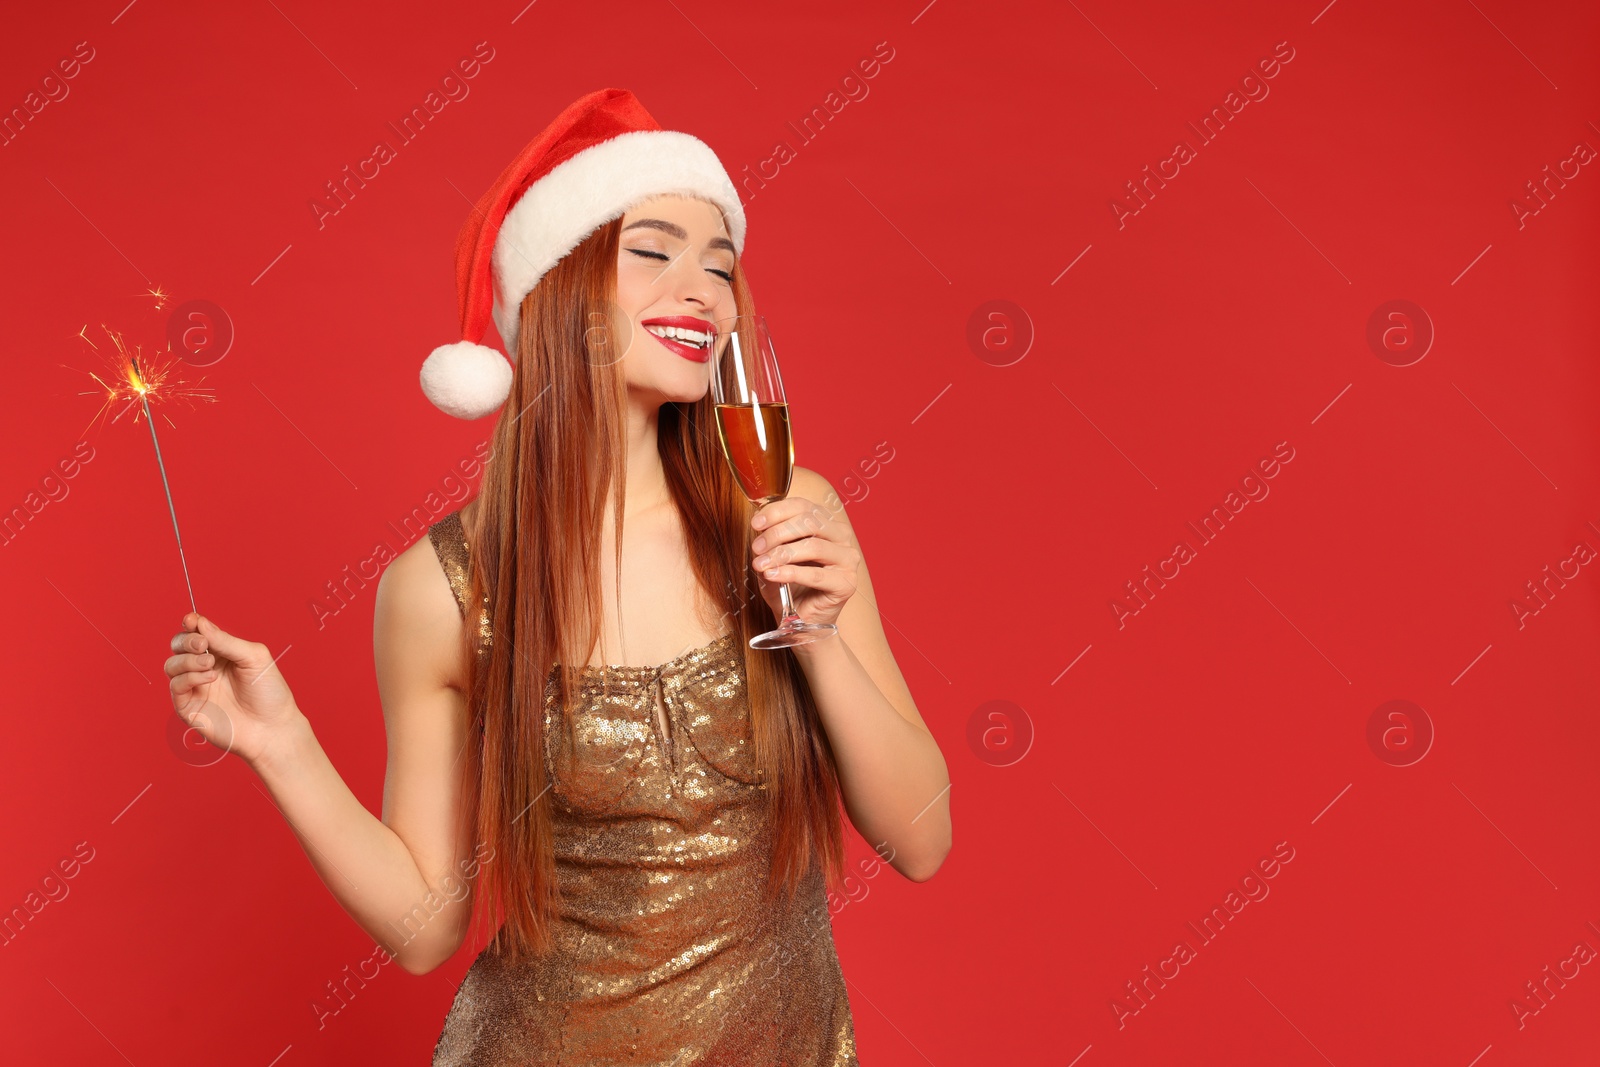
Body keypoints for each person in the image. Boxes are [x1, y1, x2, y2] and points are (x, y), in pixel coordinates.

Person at [163, 88, 952, 1065]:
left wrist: (817, 630)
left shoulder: (789, 511)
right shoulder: (444, 589)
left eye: (721, 262)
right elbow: (424, 926)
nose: (704, 288)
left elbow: (921, 839)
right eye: (655, 251)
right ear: (560, 286)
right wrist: (281, 743)